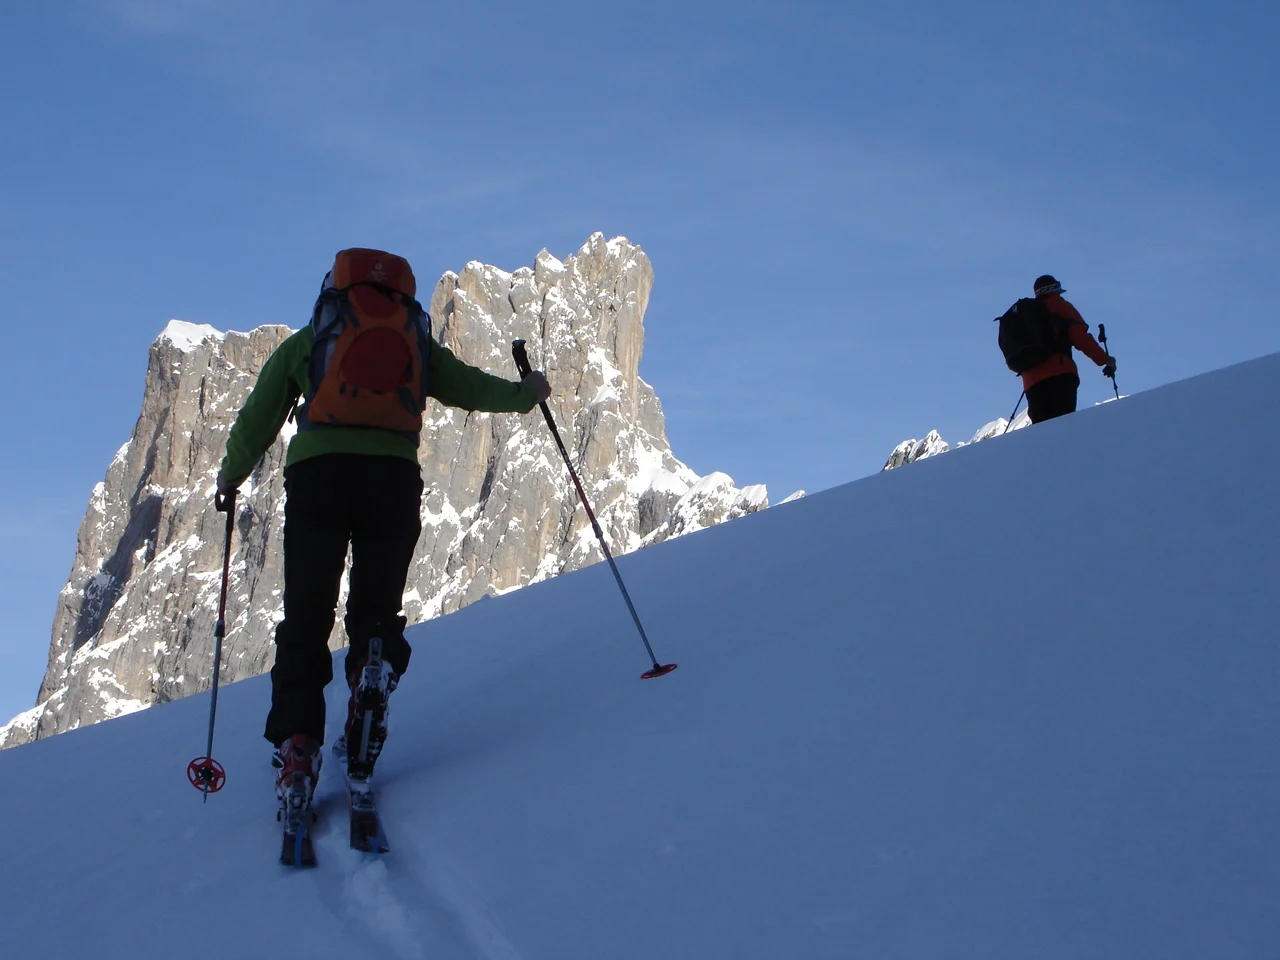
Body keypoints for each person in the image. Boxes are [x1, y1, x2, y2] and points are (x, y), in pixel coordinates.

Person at [216, 248, 551, 815]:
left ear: (334, 292)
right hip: (393, 478)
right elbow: (468, 386)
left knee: (306, 616)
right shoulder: (415, 343)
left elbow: (260, 413)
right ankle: (373, 668)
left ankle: (298, 747)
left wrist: (231, 475)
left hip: (318, 477)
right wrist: (525, 395)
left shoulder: (311, 340)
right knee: (376, 610)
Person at [1020, 274, 1116, 423]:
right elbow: (1080, 337)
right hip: (1060, 374)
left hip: (1031, 381)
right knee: (1063, 425)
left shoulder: (1025, 315)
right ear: (1054, 289)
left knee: (1042, 430)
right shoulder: (1060, 306)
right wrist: (1105, 359)